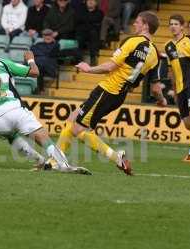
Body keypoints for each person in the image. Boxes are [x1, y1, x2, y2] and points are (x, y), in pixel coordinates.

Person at [52, 11, 167, 175]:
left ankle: (116, 158)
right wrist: (162, 101)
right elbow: (156, 88)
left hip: (108, 89)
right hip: (119, 95)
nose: (134, 24)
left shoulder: (132, 41)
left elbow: (110, 66)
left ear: (146, 26)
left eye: (138, 21)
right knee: (73, 118)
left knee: (78, 128)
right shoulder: (155, 54)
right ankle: (55, 161)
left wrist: (89, 69)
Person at [0, 40, 91, 174]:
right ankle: (63, 165)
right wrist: (30, 60)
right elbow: (35, 72)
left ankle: (40, 161)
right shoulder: (2, 63)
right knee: (42, 137)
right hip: (13, 109)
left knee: (12, 137)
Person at [165, 15, 190, 163]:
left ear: (182, 26)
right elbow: (171, 70)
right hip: (180, 87)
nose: (173, 26)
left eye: (176, 24)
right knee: (189, 124)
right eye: (171, 24)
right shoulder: (168, 45)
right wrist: (174, 89)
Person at [74, 0, 103, 66]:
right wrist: (90, 21)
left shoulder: (100, 12)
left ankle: (93, 59)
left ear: (96, 3)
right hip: (81, 32)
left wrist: (85, 20)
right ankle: (79, 60)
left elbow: (97, 20)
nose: (90, 2)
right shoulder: (80, 11)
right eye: (88, 0)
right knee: (79, 37)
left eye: (93, 0)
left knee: (93, 34)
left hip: (92, 33)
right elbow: (77, 20)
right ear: (86, 2)